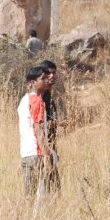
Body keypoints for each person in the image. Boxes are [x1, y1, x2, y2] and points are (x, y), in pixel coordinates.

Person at [18, 66, 53, 197]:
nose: (46, 81)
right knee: (42, 196)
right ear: (33, 82)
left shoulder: (24, 100)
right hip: (37, 153)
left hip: (26, 153)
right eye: (42, 78)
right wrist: (46, 155)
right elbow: (38, 129)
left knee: (28, 195)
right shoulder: (37, 101)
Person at [37, 59, 66, 190]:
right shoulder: (41, 96)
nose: (52, 76)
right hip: (43, 146)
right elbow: (38, 124)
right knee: (47, 185)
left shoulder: (47, 94)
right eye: (48, 73)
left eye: (54, 73)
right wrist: (57, 123)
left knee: (53, 184)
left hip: (50, 144)